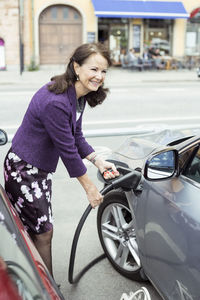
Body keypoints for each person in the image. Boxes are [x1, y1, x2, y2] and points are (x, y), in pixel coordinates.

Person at [3, 43, 119, 277]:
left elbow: (76, 135)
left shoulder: (78, 96)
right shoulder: (56, 102)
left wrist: (97, 160)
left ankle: (35, 280)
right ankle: (47, 288)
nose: (99, 76)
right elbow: (67, 151)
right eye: (94, 69)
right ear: (76, 67)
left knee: (37, 230)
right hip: (24, 170)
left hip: (39, 171)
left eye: (104, 71)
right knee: (43, 232)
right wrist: (90, 189)